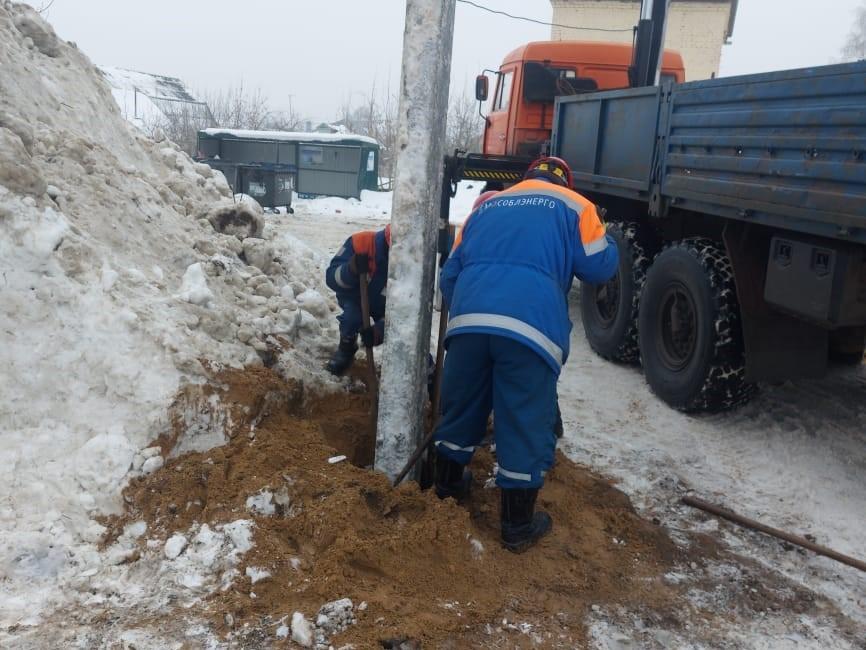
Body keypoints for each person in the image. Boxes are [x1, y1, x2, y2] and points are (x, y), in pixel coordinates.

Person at [433, 157, 619, 552]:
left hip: (468, 321)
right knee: (522, 419)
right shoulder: (576, 205)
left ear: (525, 178)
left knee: (461, 407)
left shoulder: (487, 207)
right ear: (565, 180)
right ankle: (517, 525)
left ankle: (446, 488)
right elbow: (600, 267)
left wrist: (472, 316)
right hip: (529, 329)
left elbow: (449, 276)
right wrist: (608, 234)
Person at [324, 224, 391, 375]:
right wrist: (350, 269)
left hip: (386, 304)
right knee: (351, 318)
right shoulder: (360, 242)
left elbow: (404, 314)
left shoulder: (410, 262)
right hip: (355, 297)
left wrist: (379, 332)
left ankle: (427, 373)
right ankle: (347, 346)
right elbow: (331, 278)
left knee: (401, 333)